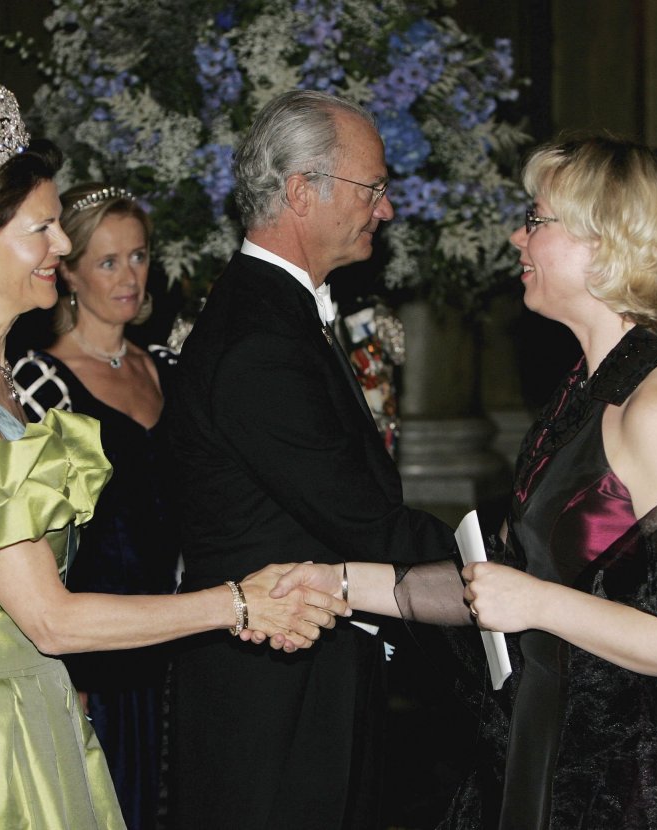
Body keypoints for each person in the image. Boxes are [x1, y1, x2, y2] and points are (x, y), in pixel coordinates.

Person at [0, 84, 346, 830]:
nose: (63, 247)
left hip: (19, 705)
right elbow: (51, 620)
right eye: (43, 229)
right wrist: (239, 603)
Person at [274, 135, 657, 828]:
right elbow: (506, 578)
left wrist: (536, 602)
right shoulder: (595, 384)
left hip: (635, 778)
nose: (519, 236)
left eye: (538, 220)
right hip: (564, 738)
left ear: (610, 243)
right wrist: (334, 582)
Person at [167, 88, 457, 830]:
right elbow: (364, 520)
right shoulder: (260, 341)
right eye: (372, 188)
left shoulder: (273, 314)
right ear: (301, 192)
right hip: (274, 699)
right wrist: (503, 565)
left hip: (304, 675)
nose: (386, 210)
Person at [11, 183, 178, 830]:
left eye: (138, 256)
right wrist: (65, 671)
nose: (129, 277)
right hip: (94, 651)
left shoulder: (167, 367)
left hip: (175, 643)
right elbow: (35, 535)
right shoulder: (39, 381)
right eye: (108, 262)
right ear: (70, 273)